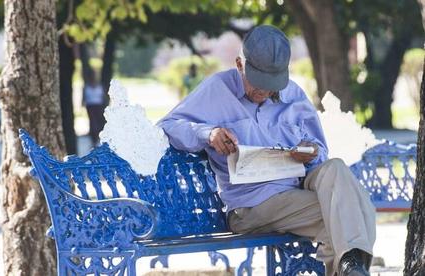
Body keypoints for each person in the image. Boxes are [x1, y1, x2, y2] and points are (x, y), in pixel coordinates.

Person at [158, 25, 375, 276]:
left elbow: (320, 152)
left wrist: (310, 151)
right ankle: (353, 268)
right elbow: (168, 125)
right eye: (257, 82)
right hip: (252, 205)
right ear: (240, 64)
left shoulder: (294, 95)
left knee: (335, 168)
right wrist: (209, 134)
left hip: (297, 187)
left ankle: (352, 267)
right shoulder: (217, 89)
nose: (263, 91)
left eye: (271, 84)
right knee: (351, 214)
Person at [82, 71, 106, 146]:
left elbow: (104, 97)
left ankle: (98, 138)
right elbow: (83, 98)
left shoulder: (100, 86)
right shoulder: (86, 86)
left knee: (98, 122)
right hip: (90, 106)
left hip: (98, 106)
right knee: (93, 123)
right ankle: (94, 139)